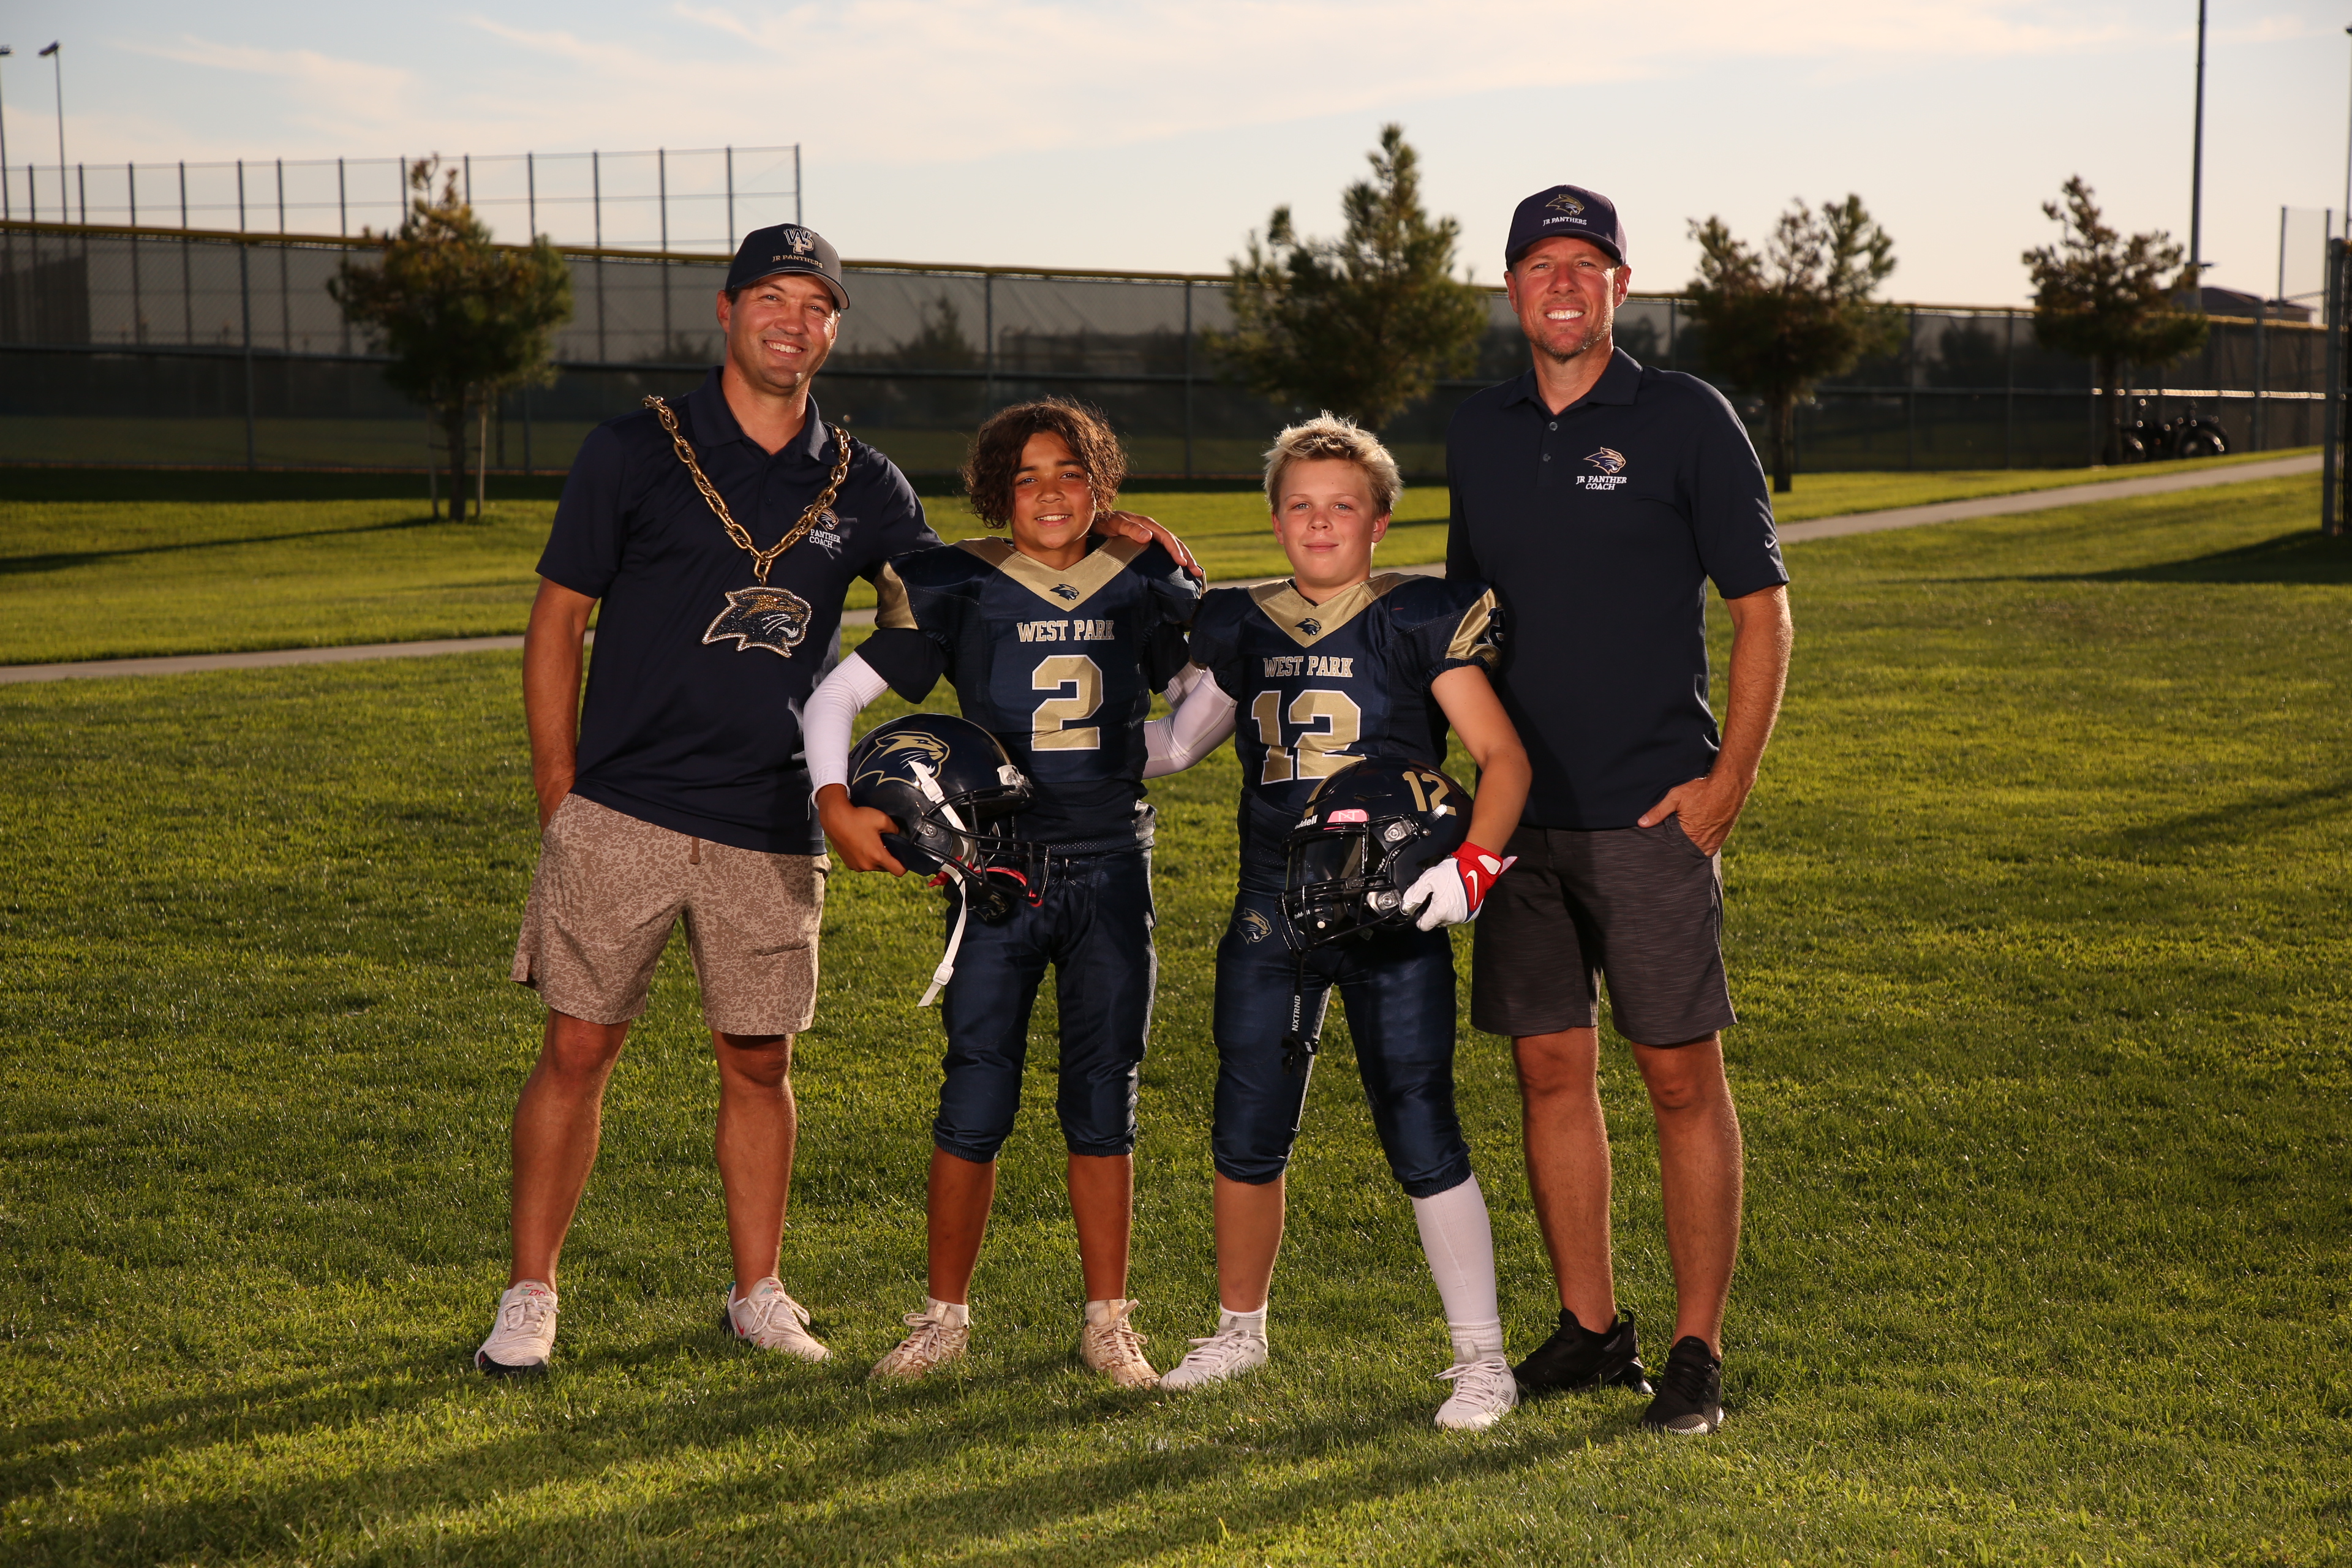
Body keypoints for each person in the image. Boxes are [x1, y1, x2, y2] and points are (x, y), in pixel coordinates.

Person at [473, 226, 1191, 1377]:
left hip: (771, 815)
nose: (793, 323)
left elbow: (968, 585)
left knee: (760, 1062)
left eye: (817, 306)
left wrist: (1095, 524)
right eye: (772, 298)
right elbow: (558, 620)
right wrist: (561, 790)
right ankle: (530, 1294)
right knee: (578, 1046)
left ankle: (757, 1292)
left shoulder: (866, 482)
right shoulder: (635, 448)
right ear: (727, 310)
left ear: (835, 329)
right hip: (626, 803)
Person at [1445, 185, 1794, 1436]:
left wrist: (1729, 781)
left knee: (1678, 1078)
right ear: (1511, 290)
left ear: (1621, 287)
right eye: (1541, 264)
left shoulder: (1685, 416)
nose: (1563, 284)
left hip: (1653, 812)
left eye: (1585, 264)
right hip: (1520, 818)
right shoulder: (1479, 430)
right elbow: (1461, 626)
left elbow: (1762, 610)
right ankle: (1592, 1329)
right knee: (1549, 1069)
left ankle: (1698, 1349)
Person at [1140, 415, 1534, 1432]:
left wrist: (1475, 869)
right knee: (1246, 1122)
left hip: (1392, 905)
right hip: (1270, 904)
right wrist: (1051, 745)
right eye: (1302, 506)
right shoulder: (1243, 623)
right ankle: (1239, 1331)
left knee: (1420, 1121)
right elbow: (1176, 746)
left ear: (1379, 520)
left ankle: (1483, 1360)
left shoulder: (1416, 617)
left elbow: (1503, 756)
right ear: (1276, 520)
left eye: (1343, 506)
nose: (1321, 523)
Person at [802, 399, 1200, 1388]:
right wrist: (834, 803)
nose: (1050, 493)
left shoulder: (1143, 574)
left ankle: (1108, 1321)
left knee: (1104, 1097)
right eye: (1026, 478)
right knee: (975, 1096)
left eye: (1070, 473)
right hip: (998, 875)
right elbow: (836, 695)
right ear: (995, 493)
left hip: (1111, 865)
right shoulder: (957, 582)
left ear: (1100, 484)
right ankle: (943, 1319)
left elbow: (1206, 701)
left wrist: (1141, 752)